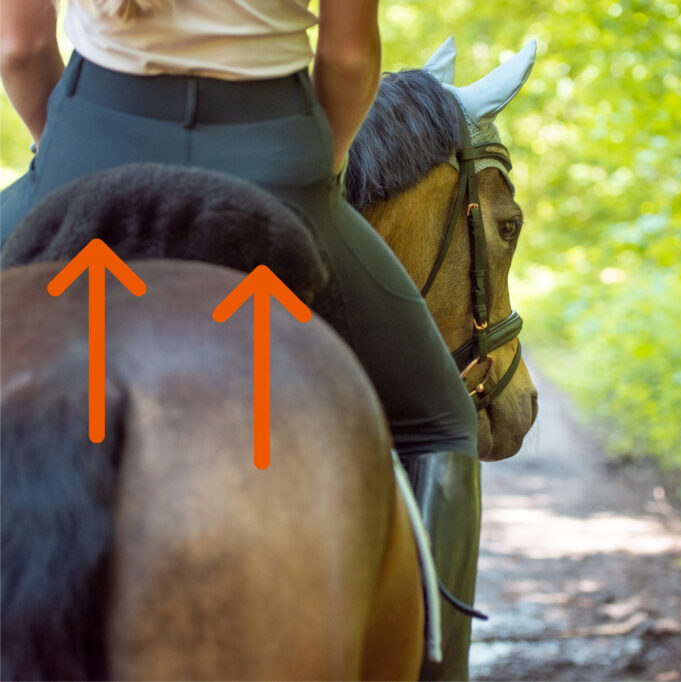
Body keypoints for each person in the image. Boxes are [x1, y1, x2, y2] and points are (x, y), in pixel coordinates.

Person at [0, 1, 480, 679]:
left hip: (87, 144)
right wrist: (316, 173)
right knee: (441, 423)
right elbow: (346, 59)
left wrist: (70, 153)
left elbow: (19, 51)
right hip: (273, 160)